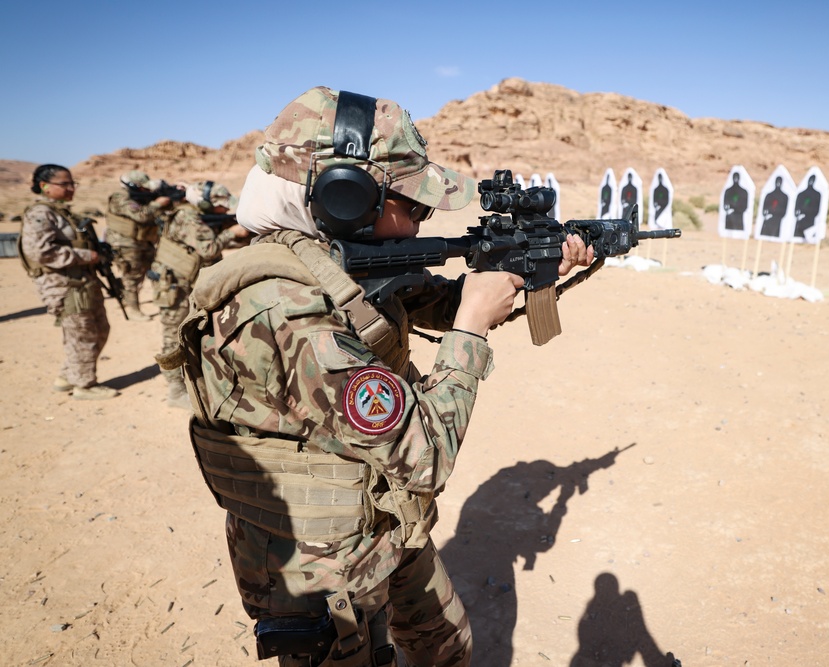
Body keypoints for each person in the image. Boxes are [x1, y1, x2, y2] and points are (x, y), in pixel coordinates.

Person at [167, 87, 592, 666]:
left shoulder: (318, 259)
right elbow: (424, 456)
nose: (419, 223)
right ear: (345, 197)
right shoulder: (288, 310)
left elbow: (420, 301)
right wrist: (471, 329)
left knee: (446, 649)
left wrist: (535, 273)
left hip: (383, 520)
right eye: (412, 206)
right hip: (322, 567)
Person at [17, 164, 118, 399]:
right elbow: (41, 252)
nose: (72, 188)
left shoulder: (62, 212)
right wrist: (87, 256)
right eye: (65, 184)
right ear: (45, 187)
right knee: (82, 334)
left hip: (82, 282)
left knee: (100, 329)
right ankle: (84, 386)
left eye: (73, 183)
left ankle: (68, 376)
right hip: (62, 286)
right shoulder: (40, 214)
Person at [150, 180, 249, 408]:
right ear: (205, 203)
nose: (225, 210)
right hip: (173, 285)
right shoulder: (187, 216)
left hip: (188, 281)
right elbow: (208, 248)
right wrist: (230, 233)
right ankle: (175, 391)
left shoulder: (200, 217)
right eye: (221, 206)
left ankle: (198, 381)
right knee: (173, 335)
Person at [105, 170, 174, 320]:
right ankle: (134, 310)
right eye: (141, 187)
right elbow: (140, 215)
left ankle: (162, 302)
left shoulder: (142, 197)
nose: (144, 190)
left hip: (145, 241)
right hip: (125, 243)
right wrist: (157, 203)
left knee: (155, 272)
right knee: (132, 276)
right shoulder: (120, 197)